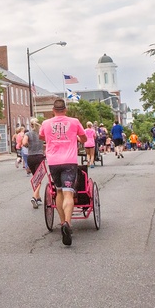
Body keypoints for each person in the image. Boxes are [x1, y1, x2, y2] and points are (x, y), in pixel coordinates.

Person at [40, 98, 87, 246]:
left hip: (53, 161)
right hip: (69, 161)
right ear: (65, 110)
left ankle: (62, 222)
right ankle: (68, 222)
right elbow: (84, 138)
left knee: (58, 191)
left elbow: (42, 136)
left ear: (53, 110)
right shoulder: (74, 121)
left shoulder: (46, 124)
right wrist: (77, 138)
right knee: (68, 193)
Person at [21, 118, 45, 208]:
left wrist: (28, 145)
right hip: (39, 157)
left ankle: (38, 197)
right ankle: (34, 197)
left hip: (30, 157)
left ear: (30, 125)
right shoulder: (41, 134)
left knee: (35, 178)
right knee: (39, 179)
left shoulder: (28, 134)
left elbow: (24, 143)